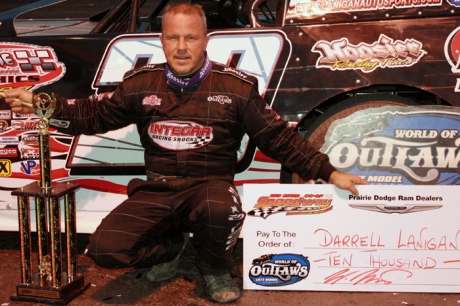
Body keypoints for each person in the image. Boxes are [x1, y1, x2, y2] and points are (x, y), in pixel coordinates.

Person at [4, 3, 367, 303]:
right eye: (173, 37)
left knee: (219, 207)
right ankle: (173, 248)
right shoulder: (139, 84)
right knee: (106, 249)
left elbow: (277, 137)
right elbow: (94, 116)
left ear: (205, 40)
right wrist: (41, 105)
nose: (181, 47)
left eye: (190, 38)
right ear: (161, 40)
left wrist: (330, 172)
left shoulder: (235, 88)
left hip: (210, 186)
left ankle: (214, 268)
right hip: (158, 188)